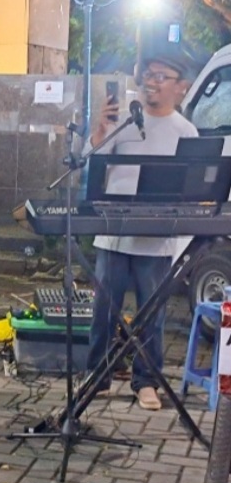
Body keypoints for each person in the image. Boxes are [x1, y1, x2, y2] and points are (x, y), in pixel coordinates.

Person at [85, 53, 197, 411]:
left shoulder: (186, 131)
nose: (152, 81)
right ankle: (97, 377)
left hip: (157, 239)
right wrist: (100, 129)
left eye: (162, 76)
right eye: (148, 74)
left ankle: (146, 381)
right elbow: (91, 165)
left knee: (152, 316)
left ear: (181, 87)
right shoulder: (124, 122)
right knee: (104, 311)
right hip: (114, 234)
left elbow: (191, 187)